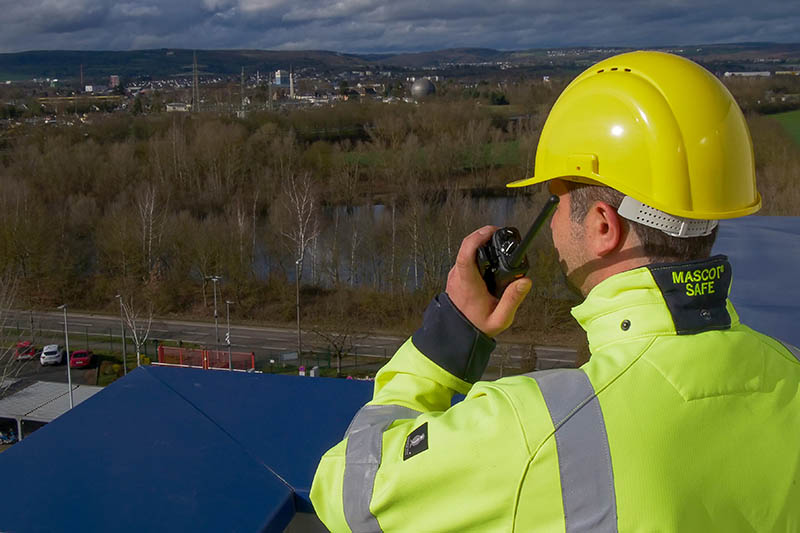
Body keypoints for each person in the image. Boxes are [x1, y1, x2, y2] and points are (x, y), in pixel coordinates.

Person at [310, 51, 800, 532]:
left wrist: (446, 342)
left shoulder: (535, 431)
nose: (554, 224)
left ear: (604, 225)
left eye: (558, 202)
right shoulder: (789, 373)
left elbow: (349, 493)